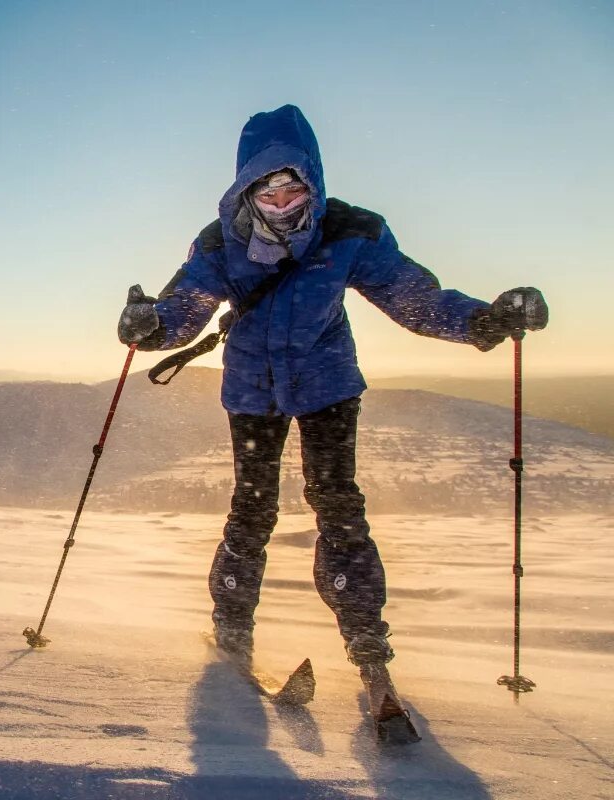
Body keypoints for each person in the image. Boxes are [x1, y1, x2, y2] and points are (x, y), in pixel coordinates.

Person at [117, 104, 548, 673]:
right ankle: (232, 628)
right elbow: (185, 308)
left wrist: (483, 321)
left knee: (338, 507)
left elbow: (413, 298)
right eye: (267, 197)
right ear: (245, 192)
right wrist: (150, 328)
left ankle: (367, 639)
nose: (281, 208)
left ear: (312, 188)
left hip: (327, 383)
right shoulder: (220, 245)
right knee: (253, 510)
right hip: (253, 388)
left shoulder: (350, 232)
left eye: (292, 195)